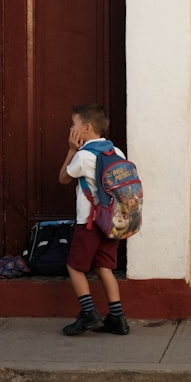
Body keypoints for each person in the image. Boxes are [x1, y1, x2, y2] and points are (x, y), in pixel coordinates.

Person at [58, 103, 130, 336]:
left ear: (86, 128)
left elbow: (63, 179)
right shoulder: (116, 152)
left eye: (74, 124)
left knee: (75, 267)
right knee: (104, 267)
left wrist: (71, 150)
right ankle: (117, 318)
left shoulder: (83, 155)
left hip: (88, 222)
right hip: (112, 221)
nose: (71, 128)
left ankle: (89, 314)